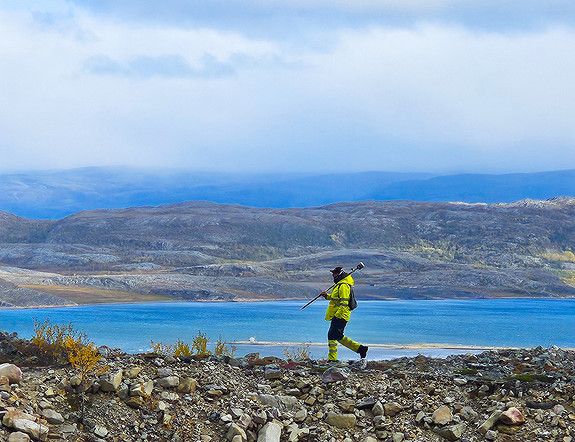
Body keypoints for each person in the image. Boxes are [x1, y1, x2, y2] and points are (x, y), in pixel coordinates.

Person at [320, 266, 368, 362]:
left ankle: (332, 359)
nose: (333, 276)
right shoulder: (339, 285)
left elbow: (344, 303)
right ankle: (360, 349)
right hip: (338, 315)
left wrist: (337, 316)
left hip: (341, 315)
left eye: (334, 274)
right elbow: (336, 298)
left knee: (332, 335)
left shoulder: (343, 286)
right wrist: (326, 296)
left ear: (339, 275)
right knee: (338, 336)